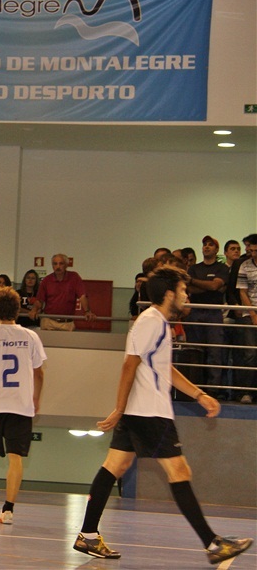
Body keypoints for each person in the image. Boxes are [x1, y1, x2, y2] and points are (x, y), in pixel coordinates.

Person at [72, 266, 253, 564]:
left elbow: (163, 368)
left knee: (114, 466)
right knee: (179, 473)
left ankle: (88, 535)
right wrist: (119, 409)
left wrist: (198, 394)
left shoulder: (158, 323)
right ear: (169, 294)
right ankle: (213, 544)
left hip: (139, 410)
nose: (186, 294)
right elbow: (129, 365)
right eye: (182, 290)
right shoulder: (151, 322)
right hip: (148, 413)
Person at [0, 287, 46, 524]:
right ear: (18, 310)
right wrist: (35, 399)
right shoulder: (31, 336)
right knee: (16, 458)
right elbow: (39, 373)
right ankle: (9, 510)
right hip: (21, 405)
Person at [185, 235, 229, 397]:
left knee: (215, 351)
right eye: (205, 245)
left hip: (213, 313)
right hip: (195, 311)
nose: (207, 247)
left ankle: (213, 389)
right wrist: (209, 287)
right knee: (195, 351)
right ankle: (195, 387)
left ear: (216, 249)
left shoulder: (222, 268)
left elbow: (215, 285)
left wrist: (197, 282)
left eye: (211, 245)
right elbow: (190, 290)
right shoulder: (194, 268)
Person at [30, 254, 95, 331]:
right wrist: (34, 309)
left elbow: (82, 296)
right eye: (55, 264)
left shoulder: (74, 277)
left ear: (66, 265)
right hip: (48, 321)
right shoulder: (46, 280)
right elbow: (39, 300)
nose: (58, 267)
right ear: (52, 266)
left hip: (67, 323)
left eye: (61, 263)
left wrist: (87, 311)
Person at [235, 235, 257, 403]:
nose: (252, 252)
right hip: (249, 314)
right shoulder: (245, 266)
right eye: (251, 249)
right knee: (249, 353)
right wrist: (253, 314)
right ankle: (247, 392)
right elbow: (242, 291)